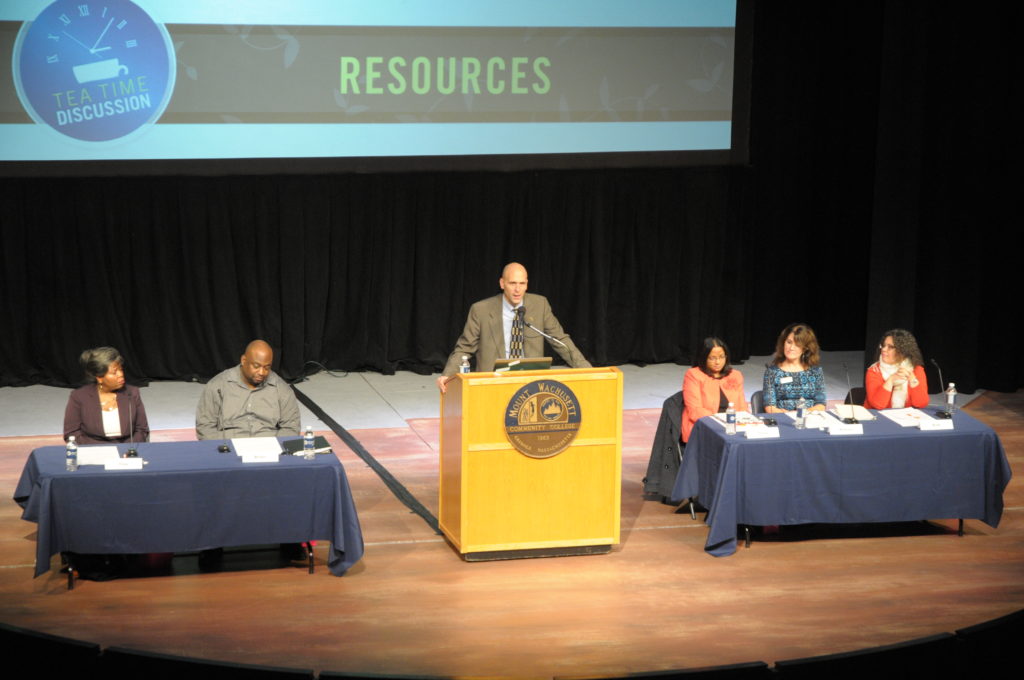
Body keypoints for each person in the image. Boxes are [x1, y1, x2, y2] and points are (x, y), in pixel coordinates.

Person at [436, 262, 591, 392]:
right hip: (494, 382)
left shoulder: (540, 305)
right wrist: (447, 374)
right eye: (513, 283)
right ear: (502, 283)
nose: (518, 290)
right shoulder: (481, 310)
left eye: (522, 284)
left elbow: (560, 340)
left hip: (531, 382)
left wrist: (587, 370)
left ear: (526, 284)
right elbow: (464, 348)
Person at [196, 339, 300, 439]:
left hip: (267, 448)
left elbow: (291, 428)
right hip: (229, 447)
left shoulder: (282, 390)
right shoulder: (218, 386)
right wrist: (221, 450)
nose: (262, 372)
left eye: (267, 367)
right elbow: (205, 427)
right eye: (256, 366)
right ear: (243, 360)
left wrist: (276, 448)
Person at [63, 346, 150, 445]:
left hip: (126, 450)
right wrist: (101, 451)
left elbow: (142, 430)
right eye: (114, 372)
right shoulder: (79, 397)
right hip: (93, 451)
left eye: (121, 369)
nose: (120, 374)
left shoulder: (132, 392)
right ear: (99, 377)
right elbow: (71, 433)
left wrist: (128, 449)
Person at [682, 337, 747, 442]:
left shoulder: (735, 375)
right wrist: (721, 421)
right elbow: (695, 411)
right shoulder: (693, 375)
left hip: (732, 427)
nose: (718, 362)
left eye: (721, 357)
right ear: (703, 358)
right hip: (705, 427)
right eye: (712, 358)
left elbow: (742, 407)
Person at [762, 323, 827, 413]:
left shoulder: (815, 371)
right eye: (789, 342)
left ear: (805, 348)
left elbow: (821, 405)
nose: (791, 348)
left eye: (797, 344)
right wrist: (789, 415)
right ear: (783, 343)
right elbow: (770, 408)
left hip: (810, 418)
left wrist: (802, 414)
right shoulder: (772, 372)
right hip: (783, 419)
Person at [864, 329, 929, 409]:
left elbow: (921, 403)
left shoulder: (917, 370)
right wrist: (890, 381)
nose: (884, 349)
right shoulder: (874, 371)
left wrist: (912, 380)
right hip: (877, 417)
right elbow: (877, 405)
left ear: (903, 351)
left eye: (890, 347)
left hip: (904, 418)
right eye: (883, 345)